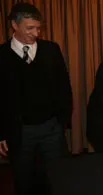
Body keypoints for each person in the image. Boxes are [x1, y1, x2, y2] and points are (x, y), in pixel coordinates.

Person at [0, 3, 72, 195]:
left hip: (52, 129)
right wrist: (2, 133)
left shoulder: (51, 50)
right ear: (15, 26)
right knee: (24, 181)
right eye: (29, 28)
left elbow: (64, 88)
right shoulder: (1, 56)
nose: (36, 33)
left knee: (57, 178)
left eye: (38, 28)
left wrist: (61, 122)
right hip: (19, 132)